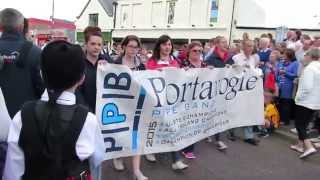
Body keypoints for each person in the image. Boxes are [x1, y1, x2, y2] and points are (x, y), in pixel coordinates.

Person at [3, 40, 105, 180]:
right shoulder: (89, 121)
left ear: (41, 73)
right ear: (82, 78)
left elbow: (12, 172)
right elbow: (96, 162)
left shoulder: (22, 116)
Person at [146, 35, 188, 171]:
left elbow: (179, 79)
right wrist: (156, 73)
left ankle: (176, 160)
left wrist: (185, 73)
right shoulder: (152, 61)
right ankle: (149, 150)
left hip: (171, 101)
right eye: (164, 44)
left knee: (171, 127)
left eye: (169, 44)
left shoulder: (174, 61)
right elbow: (147, 78)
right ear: (159, 46)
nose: (167, 47)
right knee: (153, 127)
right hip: (155, 100)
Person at [110, 35, 148, 180]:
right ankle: (118, 156)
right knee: (120, 132)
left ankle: (137, 171)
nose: (133, 49)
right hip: (119, 105)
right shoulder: (115, 63)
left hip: (136, 105)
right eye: (131, 46)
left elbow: (147, 82)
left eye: (136, 47)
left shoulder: (141, 65)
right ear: (124, 46)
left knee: (136, 136)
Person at [0, 8, 44, 118]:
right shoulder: (35, 52)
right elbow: (43, 90)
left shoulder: (35, 52)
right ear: (21, 26)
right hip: (26, 120)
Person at [291, 48, 320, 158]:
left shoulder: (310, 69)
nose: (303, 58)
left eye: (305, 55)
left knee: (300, 124)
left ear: (310, 56)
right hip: (315, 102)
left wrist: (298, 98)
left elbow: (307, 87)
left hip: (305, 101)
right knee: (304, 123)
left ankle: (308, 147)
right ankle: (300, 145)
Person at [181, 41, 207, 159]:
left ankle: (189, 148)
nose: (197, 53)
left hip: (200, 99)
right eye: (195, 50)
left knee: (196, 123)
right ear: (189, 51)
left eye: (200, 51)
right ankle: (185, 147)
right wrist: (182, 72)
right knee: (186, 123)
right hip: (186, 99)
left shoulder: (204, 64)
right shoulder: (183, 63)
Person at [232, 40, 262, 146]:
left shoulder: (253, 59)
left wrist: (256, 73)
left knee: (249, 112)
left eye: (252, 46)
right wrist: (244, 70)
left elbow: (254, 72)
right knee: (237, 111)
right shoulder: (236, 58)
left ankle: (248, 136)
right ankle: (231, 131)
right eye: (248, 46)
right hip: (239, 90)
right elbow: (234, 73)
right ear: (243, 47)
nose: (251, 48)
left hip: (249, 89)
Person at [78, 27, 105, 113]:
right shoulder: (78, 64)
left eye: (99, 44)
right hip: (83, 113)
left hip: (103, 113)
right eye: (93, 44)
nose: (96, 47)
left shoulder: (107, 63)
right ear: (86, 44)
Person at [277, 49, 299, 126]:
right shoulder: (283, 62)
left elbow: (295, 75)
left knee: (286, 104)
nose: (283, 56)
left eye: (285, 54)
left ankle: (285, 120)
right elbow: (278, 70)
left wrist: (285, 73)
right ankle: (280, 118)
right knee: (280, 103)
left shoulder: (295, 63)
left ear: (289, 55)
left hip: (288, 86)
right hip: (281, 85)